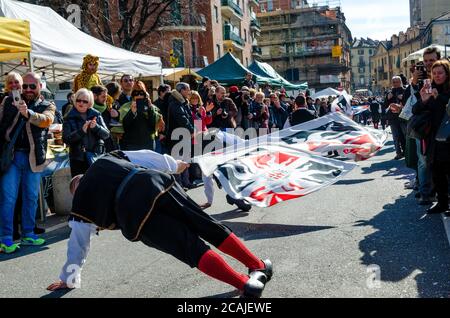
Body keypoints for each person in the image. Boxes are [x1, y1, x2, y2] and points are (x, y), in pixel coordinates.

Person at [46, 150, 272, 297]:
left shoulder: (80, 208)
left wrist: (69, 279)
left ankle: (244, 285)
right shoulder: (105, 160)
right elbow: (144, 155)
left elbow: (78, 245)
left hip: (136, 217)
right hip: (154, 184)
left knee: (189, 247)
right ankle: (258, 265)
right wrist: (173, 164)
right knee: (206, 224)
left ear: (75, 191)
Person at [0, 72, 56, 253]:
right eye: (25, 86)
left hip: (34, 158)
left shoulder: (47, 104)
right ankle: (5, 238)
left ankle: (28, 234)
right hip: (12, 157)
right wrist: (13, 107)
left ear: (40, 86)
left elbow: (46, 120)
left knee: (31, 198)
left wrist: (28, 113)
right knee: (8, 198)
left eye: (33, 86)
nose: (28, 90)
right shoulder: (9, 101)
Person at [413, 59, 450, 215]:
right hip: (434, 137)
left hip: (448, 137)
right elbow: (415, 110)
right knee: (437, 171)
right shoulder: (429, 88)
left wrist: (439, 98)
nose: (437, 76)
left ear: (447, 73)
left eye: (440, 72)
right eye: (434, 73)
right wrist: (423, 100)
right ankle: (442, 203)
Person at [63, 88, 110, 177]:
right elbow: (66, 139)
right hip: (78, 159)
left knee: (95, 186)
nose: (81, 103)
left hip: (96, 157)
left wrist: (96, 127)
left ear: (90, 103)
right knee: (79, 187)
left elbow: (106, 135)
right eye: (78, 100)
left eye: (85, 101)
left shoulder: (96, 114)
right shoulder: (69, 117)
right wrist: (81, 131)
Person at [119, 81, 164, 151]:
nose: (139, 95)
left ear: (145, 94)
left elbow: (154, 124)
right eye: (136, 93)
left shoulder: (152, 107)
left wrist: (150, 109)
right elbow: (124, 126)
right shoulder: (125, 106)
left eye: (141, 93)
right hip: (131, 144)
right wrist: (132, 112)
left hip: (148, 144)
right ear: (132, 94)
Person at [384, 76, 406, 160]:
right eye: (394, 82)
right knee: (395, 136)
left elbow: (409, 103)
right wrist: (387, 99)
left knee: (404, 135)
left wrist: (403, 98)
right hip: (392, 118)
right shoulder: (390, 92)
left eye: (397, 82)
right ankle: (398, 153)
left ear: (400, 82)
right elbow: (385, 106)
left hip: (403, 117)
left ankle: (406, 152)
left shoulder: (405, 91)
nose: (395, 84)